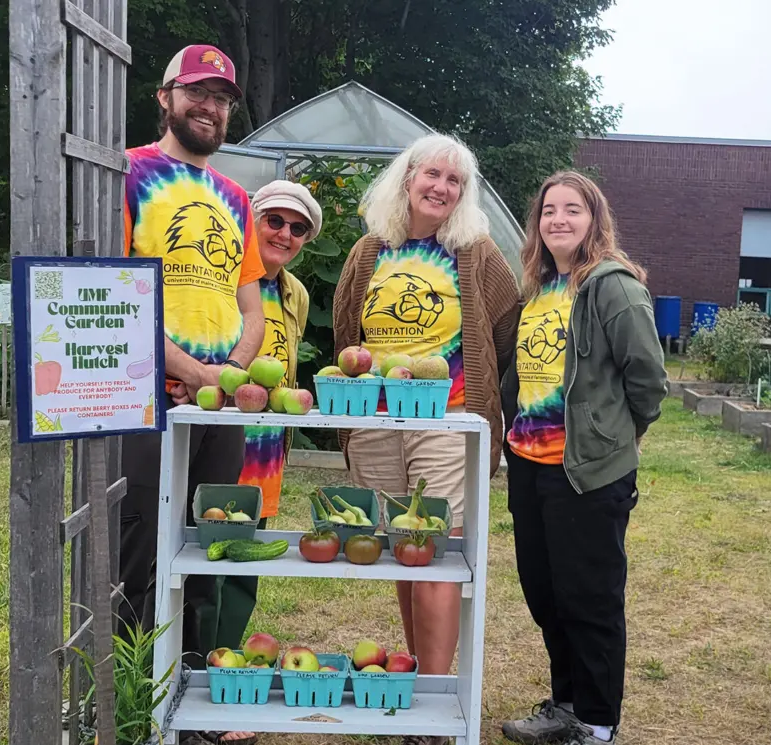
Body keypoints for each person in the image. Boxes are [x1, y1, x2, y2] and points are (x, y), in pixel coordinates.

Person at [333, 133, 520, 745]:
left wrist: (493, 405)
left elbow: (507, 326)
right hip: (376, 423)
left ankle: (432, 712)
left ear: (463, 194)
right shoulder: (368, 252)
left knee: (435, 552)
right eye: (432, 175)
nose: (441, 187)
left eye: (454, 181)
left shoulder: (476, 254)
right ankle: (417, 681)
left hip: (448, 420)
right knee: (399, 552)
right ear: (407, 179)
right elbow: (344, 330)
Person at [119, 44, 265, 745]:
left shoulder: (236, 198)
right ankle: (123, 700)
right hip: (148, 398)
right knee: (140, 551)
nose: (210, 106)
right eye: (198, 92)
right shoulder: (126, 172)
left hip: (218, 407)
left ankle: (193, 704)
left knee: (210, 549)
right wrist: (192, 373)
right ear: (166, 95)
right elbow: (112, 297)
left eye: (222, 97)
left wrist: (228, 375)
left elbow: (253, 309)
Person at [499, 171, 667, 745]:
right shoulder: (540, 287)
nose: (559, 220)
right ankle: (567, 704)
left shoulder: (612, 286)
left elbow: (648, 380)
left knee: (589, 597)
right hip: (528, 463)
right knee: (546, 594)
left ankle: (597, 723)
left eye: (574, 209)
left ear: (595, 220)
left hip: (586, 470)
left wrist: (615, 436)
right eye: (549, 210)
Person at [211, 181, 318, 745]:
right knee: (210, 565)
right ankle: (203, 686)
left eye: (297, 228)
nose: (284, 234)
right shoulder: (229, 278)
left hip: (267, 448)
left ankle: (225, 681)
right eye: (274, 220)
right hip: (221, 439)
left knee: (246, 569)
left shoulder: (295, 292)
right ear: (252, 222)